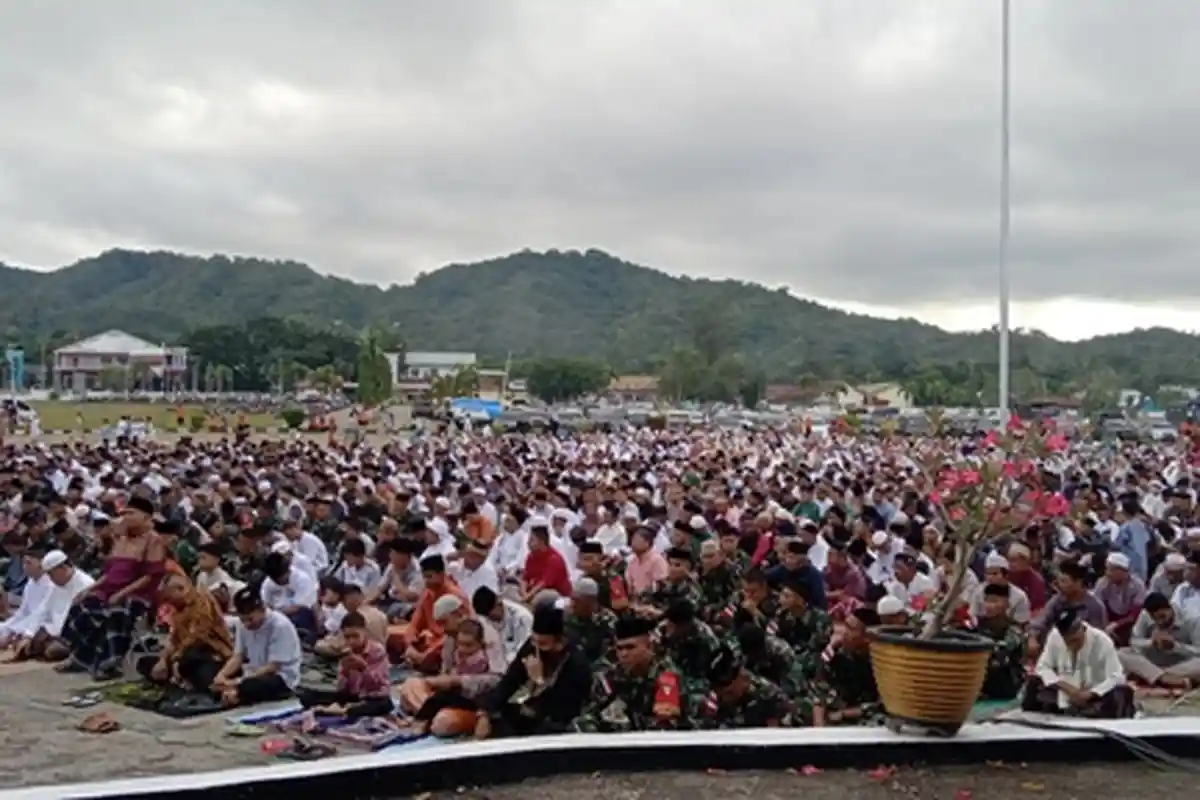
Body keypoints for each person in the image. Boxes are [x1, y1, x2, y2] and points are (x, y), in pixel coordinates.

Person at [59, 497, 166, 678]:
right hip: (109, 590)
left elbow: (149, 577)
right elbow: (109, 573)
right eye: (124, 514)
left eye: (131, 513)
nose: (125, 518)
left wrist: (122, 593)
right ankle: (80, 656)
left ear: (146, 517)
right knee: (82, 606)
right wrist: (88, 589)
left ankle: (111, 663)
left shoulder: (153, 540)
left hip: (137, 594)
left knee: (116, 612)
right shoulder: (121, 539)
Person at [476, 604, 593, 739]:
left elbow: (562, 711)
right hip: (529, 714)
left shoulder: (576, 665)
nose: (536, 649)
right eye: (534, 641)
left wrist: (539, 682)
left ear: (560, 643)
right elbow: (508, 682)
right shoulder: (532, 647)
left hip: (558, 722)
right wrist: (485, 713)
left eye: (542, 644)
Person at [1023, 607, 1134, 718]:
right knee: (1034, 685)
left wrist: (1090, 693)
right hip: (1065, 694)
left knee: (1121, 693)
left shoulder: (1102, 641)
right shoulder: (1055, 636)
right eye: (1068, 642)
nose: (1073, 646)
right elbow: (1042, 667)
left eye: (1075, 641)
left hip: (1095, 698)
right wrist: (1068, 688)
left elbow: (1117, 676)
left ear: (1082, 629)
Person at [136, 573, 232, 693]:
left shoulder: (202, 601)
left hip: (210, 654)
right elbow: (173, 640)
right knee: (145, 663)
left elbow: (198, 637)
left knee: (191, 657)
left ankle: (183, 679)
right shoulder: (177, 610)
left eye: (169, 598)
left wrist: (177, 659)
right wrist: (163, 660)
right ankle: (179, 678)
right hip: (183, 656)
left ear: (180, 589)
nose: (168, 603)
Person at [213, 586, 301, 708]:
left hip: (279, 676)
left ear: (262, 609)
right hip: (251, 671)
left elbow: (273, 667)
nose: (246, 624)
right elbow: (238, 656)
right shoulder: (241, 625)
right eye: (243, 620)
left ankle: (235, 693)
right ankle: (233, 692)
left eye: (250, 619)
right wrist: (221, 676)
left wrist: (238, 682)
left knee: (251, 686)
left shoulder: (280, 625)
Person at [298, 611, 394, 719]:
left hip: (374, 697)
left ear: (365, 632)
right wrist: (345, 673)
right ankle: (342, 709)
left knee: (384, 704)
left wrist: (363, 668)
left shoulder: (377, 651)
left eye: (355, 636)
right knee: (307, 696)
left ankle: (341, 711)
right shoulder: (346, 651)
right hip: (353, 697)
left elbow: (378, 683)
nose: (351, 641)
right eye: (347, 637)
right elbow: (342, 689)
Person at [1118, 591, 1200, 689]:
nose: (1160, 622)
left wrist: (1175, 646)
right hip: (1151, 661)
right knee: (1121, 653)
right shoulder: (1145, 615)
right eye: (1154, 619)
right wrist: (1151, 642)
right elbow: (1134, 641)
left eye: (1162, 617)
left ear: (1170, 608)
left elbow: (1198, 650)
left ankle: (1155, 676)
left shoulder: (1191, 619)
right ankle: (1164, 678)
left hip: (1179, 664)